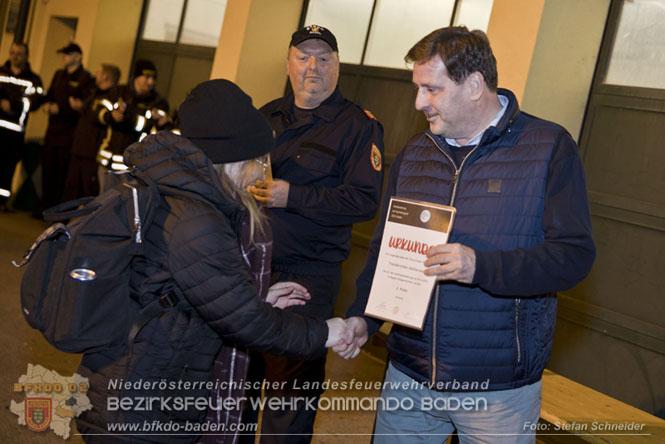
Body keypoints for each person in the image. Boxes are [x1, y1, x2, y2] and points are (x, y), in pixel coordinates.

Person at [335, 27, 596, 443]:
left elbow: (574, 257)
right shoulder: (415, 153)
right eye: (418, 88)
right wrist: (364, 319)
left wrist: (481, 266)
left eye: (432, 90)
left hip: (496, 392)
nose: (419, 102)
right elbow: (386, 250)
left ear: (474, 85)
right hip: (409, 375)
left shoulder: (547, 147)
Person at [75, 79, 348, 444]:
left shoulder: (176, 194)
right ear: (234, 159)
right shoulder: (197, 219)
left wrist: (255, 298)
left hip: (134, 387)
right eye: (258, 161)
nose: (260, 173)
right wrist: (329, 332)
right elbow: (247, 324)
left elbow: (187, 293)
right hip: (141, 404)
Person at [245, 24, 385, 443]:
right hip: (250, 271)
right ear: (288, 63)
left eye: (323, 59)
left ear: (337, 66)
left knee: (289, 403)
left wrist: (295, 196)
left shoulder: (358, 127)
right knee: (234, 390)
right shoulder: (264, 117)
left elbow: (364, 201)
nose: (313, 67)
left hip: (308, 279)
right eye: (303, 57)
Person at [96, 59, 169, 188]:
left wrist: (126, 116)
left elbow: (147, 125)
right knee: (104, 203)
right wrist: (111, 116)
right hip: (108, 162)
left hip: (134, 168)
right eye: (146, 77)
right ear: (136, 77)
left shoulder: (157, 102)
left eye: (153, 78)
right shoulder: (118, 92)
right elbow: (97, 111)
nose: (150, 82)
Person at [40, 42, 94, 210]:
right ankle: (45, 207)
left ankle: (58, 209)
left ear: (78, 57)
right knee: (48, 170)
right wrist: (47, 105)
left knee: (62, 173)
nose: (64, 57)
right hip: (52, 131)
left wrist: (62, 109)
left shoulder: (85, 78)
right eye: (63, 54)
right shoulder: (59, 75)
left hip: (69, 134)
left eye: (68, 54)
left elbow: (83, 107)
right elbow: (49, 95)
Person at [61, 64, 120, 201]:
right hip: (79, 149)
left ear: (106, 76)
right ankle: (61, 220)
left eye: (98, 72)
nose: (95, 75)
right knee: (70, 188)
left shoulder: (112, 97)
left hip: (92, 153)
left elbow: (99, 116)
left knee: (88, 192)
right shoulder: (94, 93)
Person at [0, 42, 43, 211]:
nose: (15, 56)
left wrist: (14, 104)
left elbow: (36, 101)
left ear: (26, 56)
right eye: (13, 52)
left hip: (15, 131)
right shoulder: (1, 72)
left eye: (19, 53)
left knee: (8, 166)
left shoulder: (33, 79)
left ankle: (2, 201)